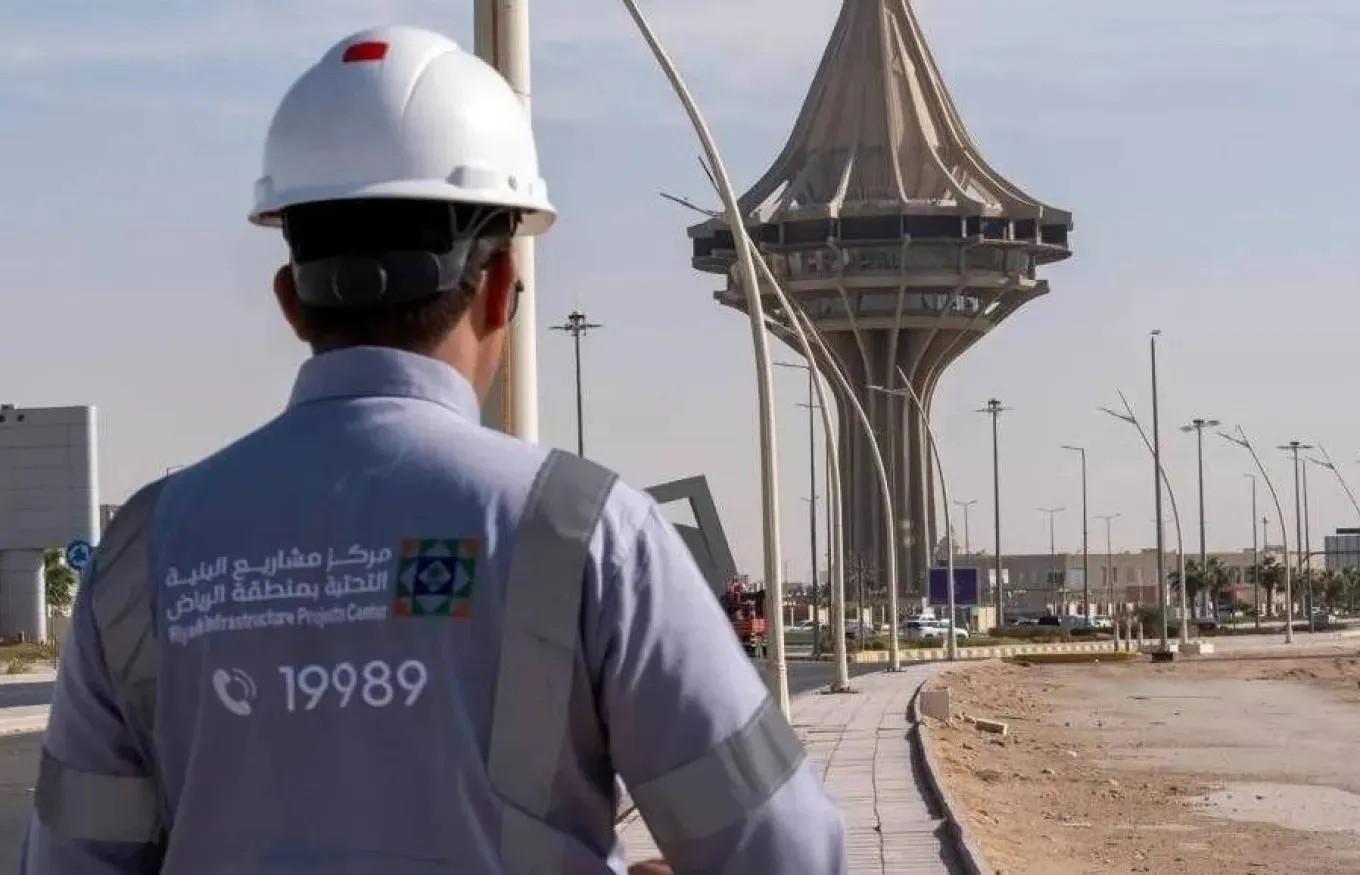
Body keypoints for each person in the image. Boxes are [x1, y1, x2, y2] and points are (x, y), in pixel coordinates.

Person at [22, 25, 845, 875]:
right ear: (498, 289)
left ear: (290, 300)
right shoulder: (590, 534)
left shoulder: (142, 554)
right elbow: (785, 852)